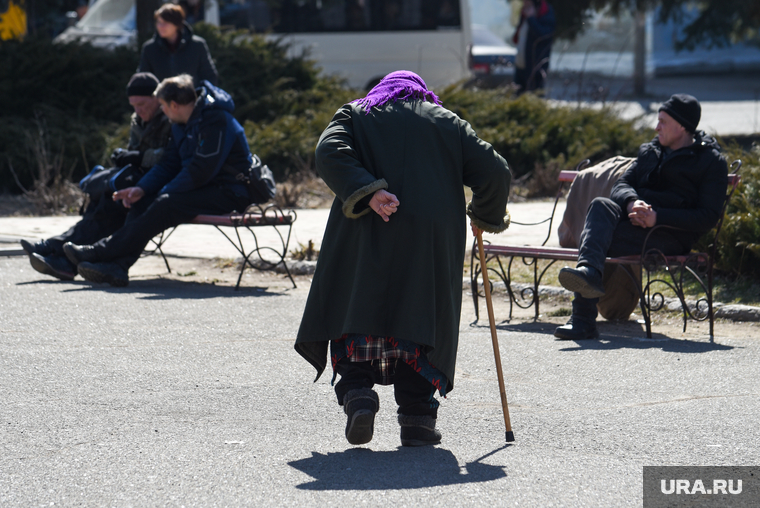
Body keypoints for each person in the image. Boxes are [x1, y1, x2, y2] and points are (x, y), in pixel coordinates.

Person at [294, 71, 512, 447]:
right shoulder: (447, 123)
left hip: (364, 233)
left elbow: (328, 151)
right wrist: (484, 215)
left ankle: (359, 394)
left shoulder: (355, 115)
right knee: (421, 314)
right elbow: (496, 171)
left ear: (379, 91)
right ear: (422, 92)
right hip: (428, 241)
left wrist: (369, 191)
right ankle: (417, 418)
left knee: (358, 307)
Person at [554, 94, 729, 340]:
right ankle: (588, 274)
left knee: (596, 240)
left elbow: (707, 216)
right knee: (601, 205)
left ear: (682, 126)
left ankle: (582, 318)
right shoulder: (652, 150)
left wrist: (657, 218)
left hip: (670, 234)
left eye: (663, 122)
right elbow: (622, 184)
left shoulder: (710, 162)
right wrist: (632, 203)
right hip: (633, 223)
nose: (657, 127)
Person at [61, 74, 253, 287]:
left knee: (166, 203)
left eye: (162, 105)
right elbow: (168, 164)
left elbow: (201, 170)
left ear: (173, 104)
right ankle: (117, 267)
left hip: (232, 192)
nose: (161, 110)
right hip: (203, 188)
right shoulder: (180, 124)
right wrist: (142, 189)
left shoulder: (216, 120)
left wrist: (162, 194)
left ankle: (101, 252)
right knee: (143, 201)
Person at [21, 72, 171, 281]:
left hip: (157, 184)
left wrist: (139, 157)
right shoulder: (138, 119)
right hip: (139, 179)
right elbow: (136, 154)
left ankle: (61, 253)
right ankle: (65, 257)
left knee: (113, 205)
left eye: (143, 104)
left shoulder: (170, 116)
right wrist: (127, 157)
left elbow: (172, 158)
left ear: (157, 98)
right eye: (133, 105)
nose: (138, 110)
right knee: (101, 202)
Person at [138, 3, 218, 86]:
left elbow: (210, 76)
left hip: (192, 97)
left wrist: (199, 95)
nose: (160, 26)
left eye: (165, 23)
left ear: (176, 24)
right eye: (158, 22)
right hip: (160, 98)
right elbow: (143, 79)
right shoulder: (149, 48)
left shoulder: (197, 45)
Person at [512, 0, 555, 93]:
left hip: (536, 68)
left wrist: (531, 19)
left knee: (535, 96)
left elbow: (543, 36)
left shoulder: (546, 14)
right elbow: (517, 38)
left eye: (527, 3)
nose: (524, 4)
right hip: (520, 66)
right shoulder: (524, 15)